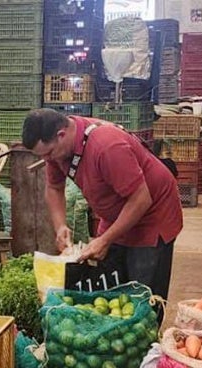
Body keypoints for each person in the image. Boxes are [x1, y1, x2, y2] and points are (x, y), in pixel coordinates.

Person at [22, 107, 183, 299]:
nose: (46, 160)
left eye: (48, 153)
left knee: (143, 294)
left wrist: (105, 240)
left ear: (61, 135)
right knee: (110, 290)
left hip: (152, 215)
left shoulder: (106, 146)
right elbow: (54, 188)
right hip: (115, 211)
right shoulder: (59, 150)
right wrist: (60, 226)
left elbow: (141, 199)